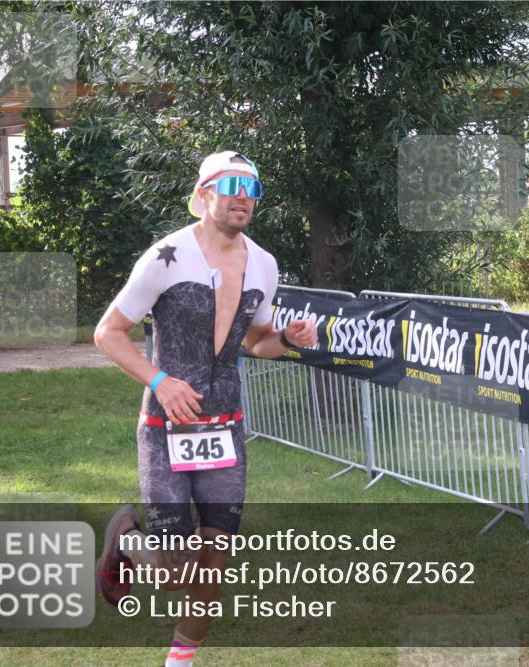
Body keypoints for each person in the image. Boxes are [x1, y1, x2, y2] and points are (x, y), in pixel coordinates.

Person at [92, 150, 317, 667]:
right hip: (166, 427)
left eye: (253, 189)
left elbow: (257, 341)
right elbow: (108, 333)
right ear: (204, 194)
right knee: (174, 570)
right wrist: (160, 380)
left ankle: (180, 662)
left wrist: (287, 338)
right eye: (233, 186)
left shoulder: (264, 264)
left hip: (226, 429)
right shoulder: (166, 256)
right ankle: (125, 540)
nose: (244, 197)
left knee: (213, 563)